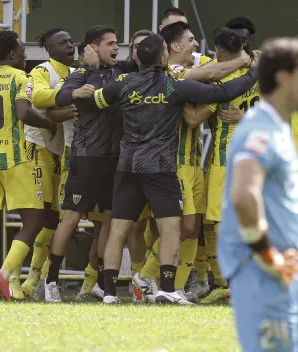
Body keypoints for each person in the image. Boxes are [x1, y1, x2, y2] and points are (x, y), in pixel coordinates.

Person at [85, 33, 258, 304]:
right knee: (170, 229)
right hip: (160, 168)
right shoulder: (173, 86)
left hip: (127, 166)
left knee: (118, 230)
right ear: (164, 58)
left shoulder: (122, 84)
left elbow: (92, 101)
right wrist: (254, 73)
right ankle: (167, 287)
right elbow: (225, 92)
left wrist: (86, 82)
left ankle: (108, 292)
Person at [133, 21, 252, 304]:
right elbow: (203, 92)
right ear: (174, 46)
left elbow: (216, 68)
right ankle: (144, 277)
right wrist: (244, 61)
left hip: (194, 161)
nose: (195, 45)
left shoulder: (197, 69)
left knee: (192, 229)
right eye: (190, 40)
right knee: (183, 228)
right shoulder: (172, 71)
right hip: (174, 162)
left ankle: (173, 288)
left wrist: (243, 60)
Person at [218, 37, 298, 352]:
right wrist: (266, 253)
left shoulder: (276, 127)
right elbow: (243, 194)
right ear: (282, 78)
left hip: (279, 276)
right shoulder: (261, 129)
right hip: (263, 273)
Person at [44, 25, 138, 303]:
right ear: (92, 48)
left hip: (116, 159)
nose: (115, 48)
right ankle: (51, 281)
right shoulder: (80, 74)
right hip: (87, 158)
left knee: (110, 221)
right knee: (71, 218)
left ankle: (103, 284)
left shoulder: (122, 71)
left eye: (117, 43)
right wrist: (77, 90)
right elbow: (60, 98)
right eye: (109, 43)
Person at [182, 27, 261, 303]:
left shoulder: (224, 79)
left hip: (226, 162)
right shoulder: (260, 75)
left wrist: (176, 97)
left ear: (217, 52)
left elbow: (194, 119)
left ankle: (229, 282)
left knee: (216, 224)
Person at [7, 28, 77, 300]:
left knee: (52, 220)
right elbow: (40, 102)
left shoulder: (77, 74)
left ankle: (34, 280)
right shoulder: (42, 71)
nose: (70, 45)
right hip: (37, 147)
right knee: (36, 217)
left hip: (61, 151)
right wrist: (65, 102)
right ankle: (13, 279)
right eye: (63, 42)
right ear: (50, 50)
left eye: (71, 41)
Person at [0, 30, 57, 301]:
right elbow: (24, 112)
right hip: (16, 158)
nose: (26, 55)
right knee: (35, 220)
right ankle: (3, 275)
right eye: (23, 50)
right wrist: (49, 123)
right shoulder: (20, 77)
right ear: (12, 54)